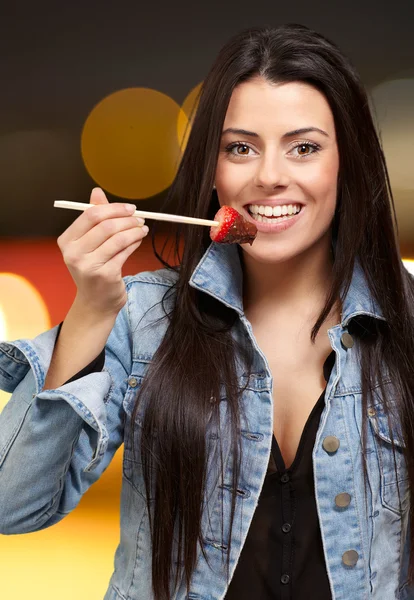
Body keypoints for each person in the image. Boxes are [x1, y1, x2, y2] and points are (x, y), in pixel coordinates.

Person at [0, 23, 414, 600]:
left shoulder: (406, 320)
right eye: (240, 148)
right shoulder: (146, 320)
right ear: (212, 168)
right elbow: (13, 505)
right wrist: (91, 310)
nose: (269, 176)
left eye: (304, 148)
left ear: (348, 165)